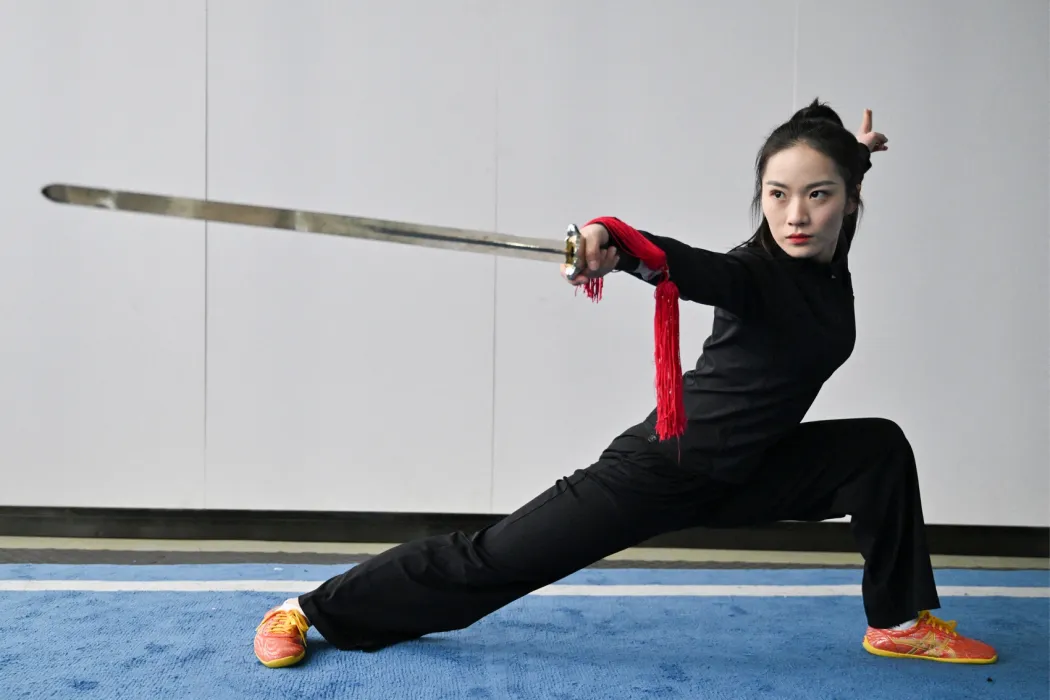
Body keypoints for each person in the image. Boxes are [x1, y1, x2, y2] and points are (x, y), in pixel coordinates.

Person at [252, 100, 998, 668]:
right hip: (666, 467)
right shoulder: (754, 273)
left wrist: (858, 153)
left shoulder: (829, 249)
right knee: (493, 562)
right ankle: (309, 609)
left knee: (878, 450)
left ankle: (897, 623)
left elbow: (839, 178)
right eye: (777, 195)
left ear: (849, 199)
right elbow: (682, 264)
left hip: (752, 469)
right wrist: (614, 242)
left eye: (818, 194)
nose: (795, 215)